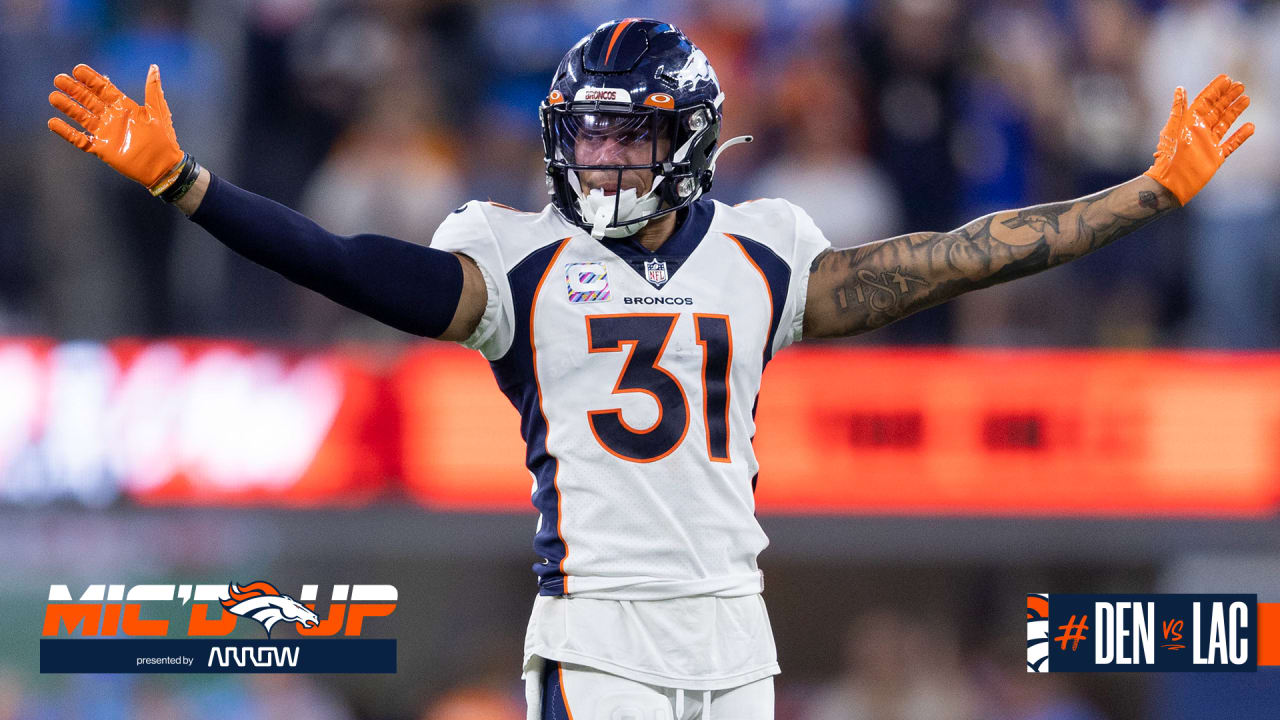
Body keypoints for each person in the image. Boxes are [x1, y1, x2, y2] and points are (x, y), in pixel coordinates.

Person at [47, 18, 1252, 720]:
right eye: (588, 132)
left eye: (629, 133)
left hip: (735, 627)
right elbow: (359, 267)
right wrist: (188, 187)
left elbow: (952, 258)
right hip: (601, 631)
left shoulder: (764, 253)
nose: (604, 157)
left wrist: (1140, 196)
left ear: (684, 137)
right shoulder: (513, 259)